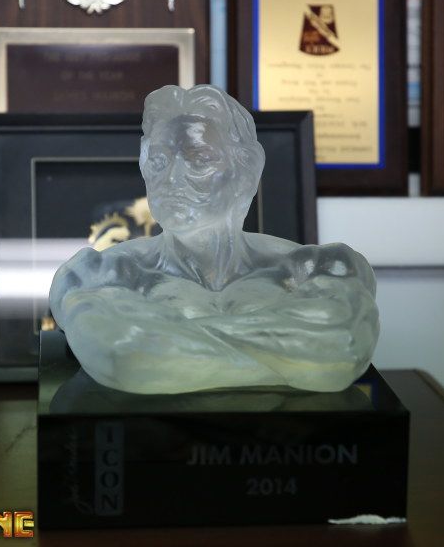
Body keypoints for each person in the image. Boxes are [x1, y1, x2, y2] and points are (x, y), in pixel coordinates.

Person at [49, 85, 378, 394]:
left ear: (246, 174)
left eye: (200, 160)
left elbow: (344, 346)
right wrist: (292, 358)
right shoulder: (99, 273)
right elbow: (122, 356)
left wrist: (168, 346)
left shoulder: (319, 267)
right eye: (159, 162)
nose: (172, 179)